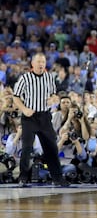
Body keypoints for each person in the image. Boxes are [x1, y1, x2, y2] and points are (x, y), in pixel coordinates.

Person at [12, 53, 70, 187]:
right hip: (29, 117)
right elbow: (16, 97)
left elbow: (54, 96)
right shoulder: (25, 78)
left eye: (43, 62)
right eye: (38, 61)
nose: (41, 64)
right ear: (32, 63)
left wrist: (54, 100)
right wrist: (24, 109)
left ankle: (57, 178)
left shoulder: (49, 78)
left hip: (44, 116)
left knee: (52, 147)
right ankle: (23, 177)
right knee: (27, 148)